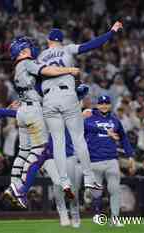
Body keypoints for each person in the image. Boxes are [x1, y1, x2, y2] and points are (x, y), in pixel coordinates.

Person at [37, 21, 123, 192]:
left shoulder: (40, 57)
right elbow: (92, 45)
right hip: (68, 95)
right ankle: (89, 178)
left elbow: (37, 84)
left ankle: (64, 181)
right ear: (61, 41)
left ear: (48, 41)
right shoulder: (67, 49)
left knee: (58, 141)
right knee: (78, 139)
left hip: (48, 98)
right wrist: (111, 31)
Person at [4, 36, 81, 208]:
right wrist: (68, 70)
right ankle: (19, 189)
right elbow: (47, 71)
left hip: (23, 110)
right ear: (23, 51)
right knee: (40, 151)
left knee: (24, 151)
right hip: (34, 111)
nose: (32, 49)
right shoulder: (26, 63)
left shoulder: (17, 68)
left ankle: (13, 185)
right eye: (29, 47)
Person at [84, 95, 135, 227]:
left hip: (112, 160)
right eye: (101, 103)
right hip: (94, 160)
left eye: (106, 103)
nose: (104, 105)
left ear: (110, 105)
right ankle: (96, 213)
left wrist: (130, 156)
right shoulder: (89, 119)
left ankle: (115, 218)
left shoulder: (115, 120)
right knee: (95, 193)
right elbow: (88, 128)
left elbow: (124, 139)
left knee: (114, 190)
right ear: (97, 105)